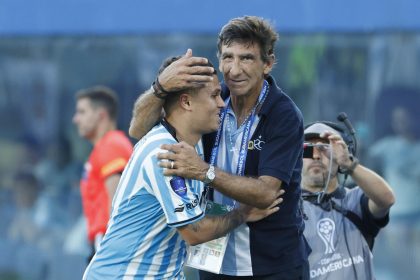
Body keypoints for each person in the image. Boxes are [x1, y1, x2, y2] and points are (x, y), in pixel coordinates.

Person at [129, 16, 310, 279]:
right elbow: (138, 130)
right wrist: (160, 87)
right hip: (213, 261)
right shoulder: (213, 101)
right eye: (227, 57)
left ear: (268, 64)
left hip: (273, 266)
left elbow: (266, 194)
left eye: (246, 58)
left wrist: (204, 172)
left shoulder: (283, 114)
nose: (234, 70)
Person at [82, 56, 281, 279]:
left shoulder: (192, 146)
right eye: (214, 95)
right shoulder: (164, 151)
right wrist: (243, 213)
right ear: (186, 102)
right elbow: (193, 232)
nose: (222, 104)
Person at [301, 121, 395, 279]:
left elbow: (387, 199)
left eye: (325, 148)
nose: (316, 155)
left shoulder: (356, 199)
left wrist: (349, 164)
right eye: (307, 149)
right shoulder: (286, 211)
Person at [72, 86, 133, 260]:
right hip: (104, 244)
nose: (76, 119)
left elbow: (117, 203)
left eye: (82, 112)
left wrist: (110, 255)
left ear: (101, 114)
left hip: (109, 245)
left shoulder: (111, 145)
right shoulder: (104, 147)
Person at [368, 105, 420, 279]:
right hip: (395, 215)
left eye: (404, 119)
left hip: (417, 215)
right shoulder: (387, 146)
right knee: (399, 262)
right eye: (396, 120)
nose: (401, 124)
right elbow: (365, 159)